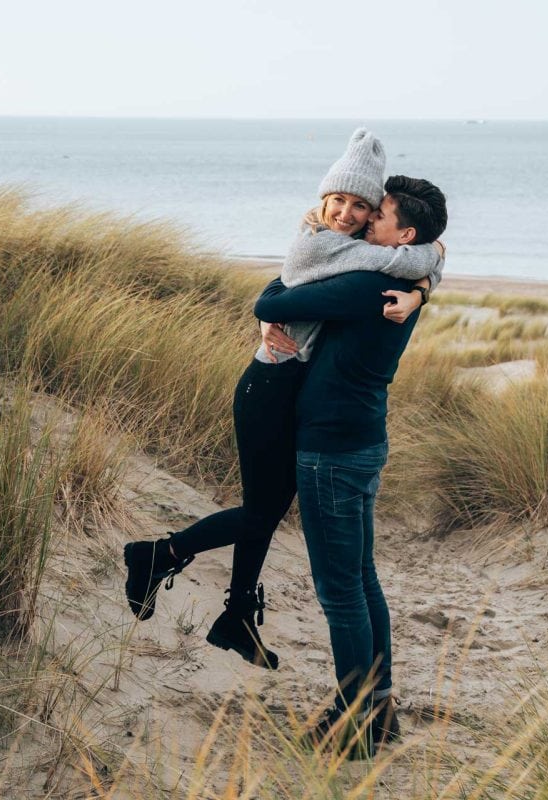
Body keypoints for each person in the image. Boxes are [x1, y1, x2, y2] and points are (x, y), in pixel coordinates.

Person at [122, 130, 443, 672]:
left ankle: (238, 615)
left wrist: (426, 276)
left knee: (263, 511)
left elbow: (410, 257)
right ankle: (159, 555)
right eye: (338, 200)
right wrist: (429, 269)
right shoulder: (329, 247)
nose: (347, 212)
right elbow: (277, 294)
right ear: (323, 199)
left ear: (374, 217)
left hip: (290, 391)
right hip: (268, 389)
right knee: (260, 512)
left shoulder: (357, 255)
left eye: (362, 206)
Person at [253, 175, 448, 757]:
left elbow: (274, 297)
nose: (364, 219)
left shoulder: (364, 285)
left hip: (332, 448)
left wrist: (271, 311)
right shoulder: (400, 278)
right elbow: (433, 253)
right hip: (362, 439)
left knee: (340, 592)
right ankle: (378, 708)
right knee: (362, 579)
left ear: (403, 235)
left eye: (378, 214)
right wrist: (429, 279)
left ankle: (354, 721)